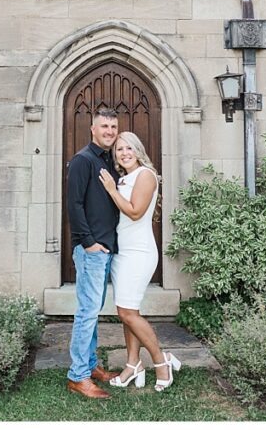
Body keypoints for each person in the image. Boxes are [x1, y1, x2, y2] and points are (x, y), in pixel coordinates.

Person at [98, 131, 182, 392]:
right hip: (123, 253)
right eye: (119, 150)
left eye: (128, 148)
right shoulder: (125, 177)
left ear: (138, 150)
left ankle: (161, 361)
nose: (123, 153)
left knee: (126, 312)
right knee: (128, 312)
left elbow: (134, 212)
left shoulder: (146, 175)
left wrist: (111, 190)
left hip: (139, 253)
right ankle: (133, 364)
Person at [66, 108, 121, 399]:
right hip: (91, 250)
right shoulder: (82, 161)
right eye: (104, 126)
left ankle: (90, 365)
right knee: (87, 312)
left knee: (93, 310)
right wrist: (88, 242)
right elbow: (74, 205)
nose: (110, 131)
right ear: (93, 129)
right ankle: (77, 376)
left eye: (113, 126)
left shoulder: (108, 162)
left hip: (106, 248)